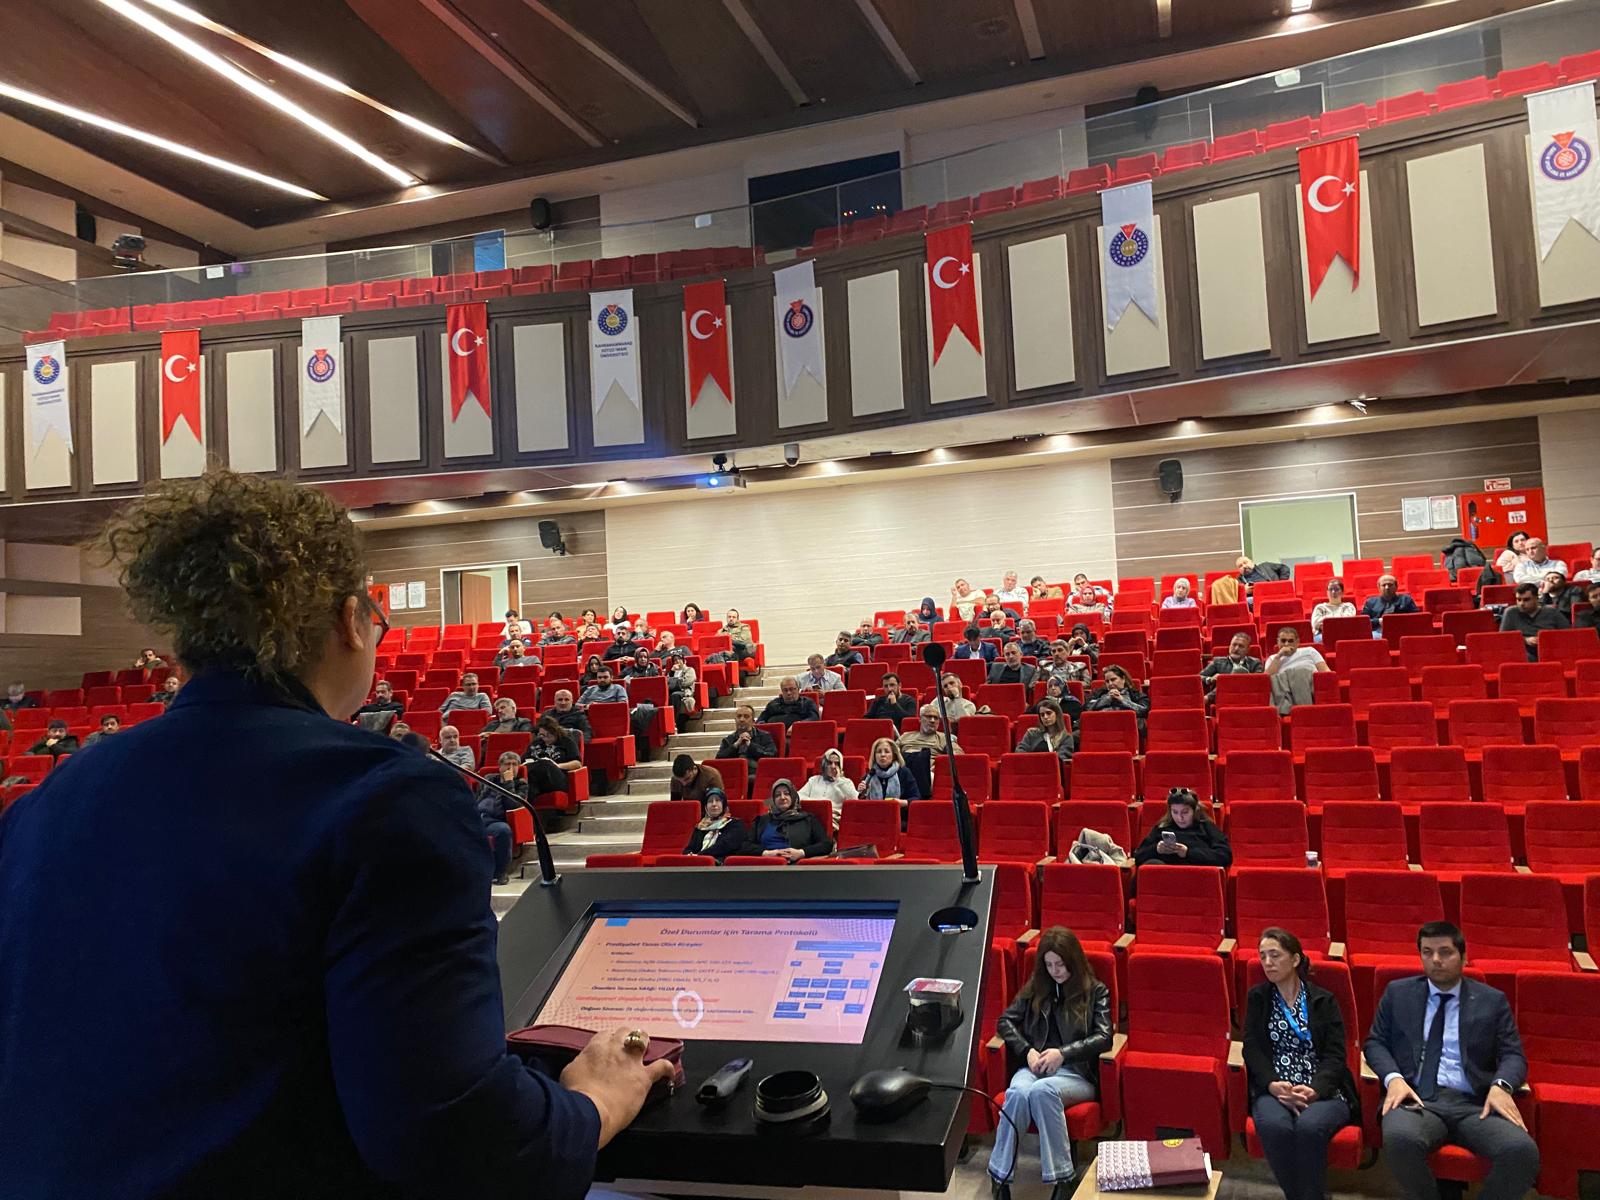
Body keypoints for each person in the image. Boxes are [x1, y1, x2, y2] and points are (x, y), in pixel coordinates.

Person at [0, 471, 662, 1198]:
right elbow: (455, 1139)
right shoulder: (386, 798)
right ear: (351, 620)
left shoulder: (46, 803)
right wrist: (594, 1102)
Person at [1365, 921, 1538, 1200]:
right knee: (1400, 1139)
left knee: (1521, 1151)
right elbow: (1375, 1043)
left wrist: (1501, 1086)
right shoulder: (1398, 993)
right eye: (1427, 952)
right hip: (1417, 1099)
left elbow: (1513, 1055)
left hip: (1474, 1104)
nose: (1435, 960)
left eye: (1445, 952)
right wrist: (1393, 1079)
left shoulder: (1491, 1001)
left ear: (1463, 956)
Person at [987, 927, 1112, 1200]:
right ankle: (1000, 1178)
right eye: (1049, 965)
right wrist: (1028, 1051)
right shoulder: (1037, 987)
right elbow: (1005, 1022)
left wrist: (1063, 1054)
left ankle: (1063, 1178)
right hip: (1035, 1068)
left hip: (1076, 1074)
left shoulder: (1096, 991)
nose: (1055, 971)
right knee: (1017, 1093)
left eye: (1061, 964)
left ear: (1073, 960)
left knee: (1042, 1092)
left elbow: (1104, 1038)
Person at [1243, 928, 1359, 1200]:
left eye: (1275, 955)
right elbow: (1252, 1048)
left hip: (1323, 1088)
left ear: (1295, 959)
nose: (1267, 962)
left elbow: (1335, 1055)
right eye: (1263, 956)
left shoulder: (1323, 1000)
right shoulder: (1258, 998)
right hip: (1276, 1087)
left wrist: (1316, 1089)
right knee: (1275, 1127)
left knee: (1309, 1127)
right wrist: (1272, 1084)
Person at [1133, 787, 1231, 867]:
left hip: (1197, 877)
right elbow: (1138, 857)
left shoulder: (1206, 827)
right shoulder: (1162, 827)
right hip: (1163, 878)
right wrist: (1156, 849)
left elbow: (1225, 856)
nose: (1180, 817)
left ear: (1194, 810)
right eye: (1175, 812)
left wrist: (1188, 853)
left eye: (1185, 812)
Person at [743, 780, 833, 861]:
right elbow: (745, 846)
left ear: (793, 796)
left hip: (796, 867)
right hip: (766, 865)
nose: (782, 797)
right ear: (773, 799)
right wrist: (766, 853)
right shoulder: (762, 820)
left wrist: (801, 853)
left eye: (786, 793)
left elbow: (826, 844)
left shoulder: (808, 819)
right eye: (777, 795)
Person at [476, 751, 527, 885]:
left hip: (496, 820)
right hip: (478, 818)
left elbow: (513, 805)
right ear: (500, 767)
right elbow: (477, 798)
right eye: (507, 764)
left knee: (503, 831)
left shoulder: (521, 784)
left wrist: (509, 783)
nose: (511, 768)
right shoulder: (488, 779)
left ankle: (501, 872)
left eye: (514, 765)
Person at [1266, 626, 1329, 713]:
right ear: (1278, 642)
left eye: (1290, 641)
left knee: (1299, 673)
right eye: (1283, 641)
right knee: (1274, 679)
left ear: (1297, 642)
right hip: (1285, 689)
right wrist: (1279, 656)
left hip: (1307, 684)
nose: (1286, 644)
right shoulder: (1273, 658)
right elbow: (1265, 679)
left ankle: (1303, 711)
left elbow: (1326, 672)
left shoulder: (1309, 651)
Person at [1499, 581, 1569, 660]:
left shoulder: (1551, 611)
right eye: (1519, 599)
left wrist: (1547, 640)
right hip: (1522, 651)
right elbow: (1503, 638)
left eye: (1526, 600)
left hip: (1550, 650)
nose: (1521, 603)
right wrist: (1525, 640)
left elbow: (1567, 634)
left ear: (1536, 598)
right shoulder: (1510, 612)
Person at [523, 714, 584, 797]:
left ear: (555, 732)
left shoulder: (566, 741)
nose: (545, 738)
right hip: (537, 779)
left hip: (557, 779)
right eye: (542, 735)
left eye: (549, 735)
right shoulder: (536, 743)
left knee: (545, 764)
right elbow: (523, 762)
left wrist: (556, 765)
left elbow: (577, 764)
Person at [681, 788, 746, 864]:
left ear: (723, 805)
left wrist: (699, 856)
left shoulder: (735, 824)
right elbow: (689, 848)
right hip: (697, 863)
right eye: (710, 801)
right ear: (706, 807)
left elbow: (725, 846)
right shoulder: (700, 827)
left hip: (721, 864)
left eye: (718, 800)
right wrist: (689, 855)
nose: (714, 804)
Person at [716, 705, 778, 784]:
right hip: (734, 775)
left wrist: (750, 745)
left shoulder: (764, 736)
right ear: (735, 720)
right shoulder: (728, 740)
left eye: (746, 716)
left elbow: (772, 755)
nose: (741, 719)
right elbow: (718, 760)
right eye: (739, 716)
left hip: (757, 774)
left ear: (753, 721)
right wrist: (735, 745)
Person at [798, 748, 857, 824]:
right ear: (824, 765)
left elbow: (854, 801)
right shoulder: (814, 780)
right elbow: (799, 796)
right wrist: (817, 804)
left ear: (840, 766)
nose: (833, 766)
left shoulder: (846, 783)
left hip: (833, 819)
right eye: (829, 763)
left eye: (836, 763)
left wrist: (838, 780)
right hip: (811, 816)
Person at [858, 738, 920, 803]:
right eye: (879, 752)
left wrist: (901, 802)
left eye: (887, 752)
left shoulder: (904, 773)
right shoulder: (870, 775)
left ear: (894, 756)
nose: (882, 755)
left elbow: (916, 798)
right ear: (874, 756)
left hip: (899, 809)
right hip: (874, 809)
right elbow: (861, 803)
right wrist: (862, 794)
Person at [1084, 665, 1149, 726]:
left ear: (1123, 679)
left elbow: (1144, 711)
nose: (1110, 683)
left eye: (1113, 679)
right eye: (1107, 681)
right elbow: (1086, 708)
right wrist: (1106, 699)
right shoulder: (1099, 694)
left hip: (1126, 727)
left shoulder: (1136, 695)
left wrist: (1122, 700)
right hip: (1101, 726)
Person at [1017, 698, 1074, 762]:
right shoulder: (1031, 733)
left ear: (1057, 714)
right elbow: (1020, 751)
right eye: (1042, 715)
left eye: (1049, 713)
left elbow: (1060, 758)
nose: (1045, 717)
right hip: (1030, 765)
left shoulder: (1066, 738)